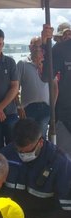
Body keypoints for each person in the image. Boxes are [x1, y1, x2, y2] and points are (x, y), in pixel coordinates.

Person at [0, 118, 71, 218]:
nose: (23, 155)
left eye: (28, 151)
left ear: (40, 142)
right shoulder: (7, 154)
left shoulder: (60, 163)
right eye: (20, 151)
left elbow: (66, 212)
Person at [17, 36, 58, 138]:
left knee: (42, 137)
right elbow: (14, 87)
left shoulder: (48, 64)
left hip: (45, 107)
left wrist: (52, 106)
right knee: (28, 137)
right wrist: (18, 106)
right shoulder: (22, 64)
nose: (37, 49)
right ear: (30, 47)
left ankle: (40, 154)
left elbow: (55, 88)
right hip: (28, 108)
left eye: (39, 46)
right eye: (34, 46)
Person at [42, 24, 71, 158]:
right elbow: (46, 77)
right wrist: (44, 44)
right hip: (63, 118)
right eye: (63, 35)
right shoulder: (59, 50)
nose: (66, 37)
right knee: (63, 160)